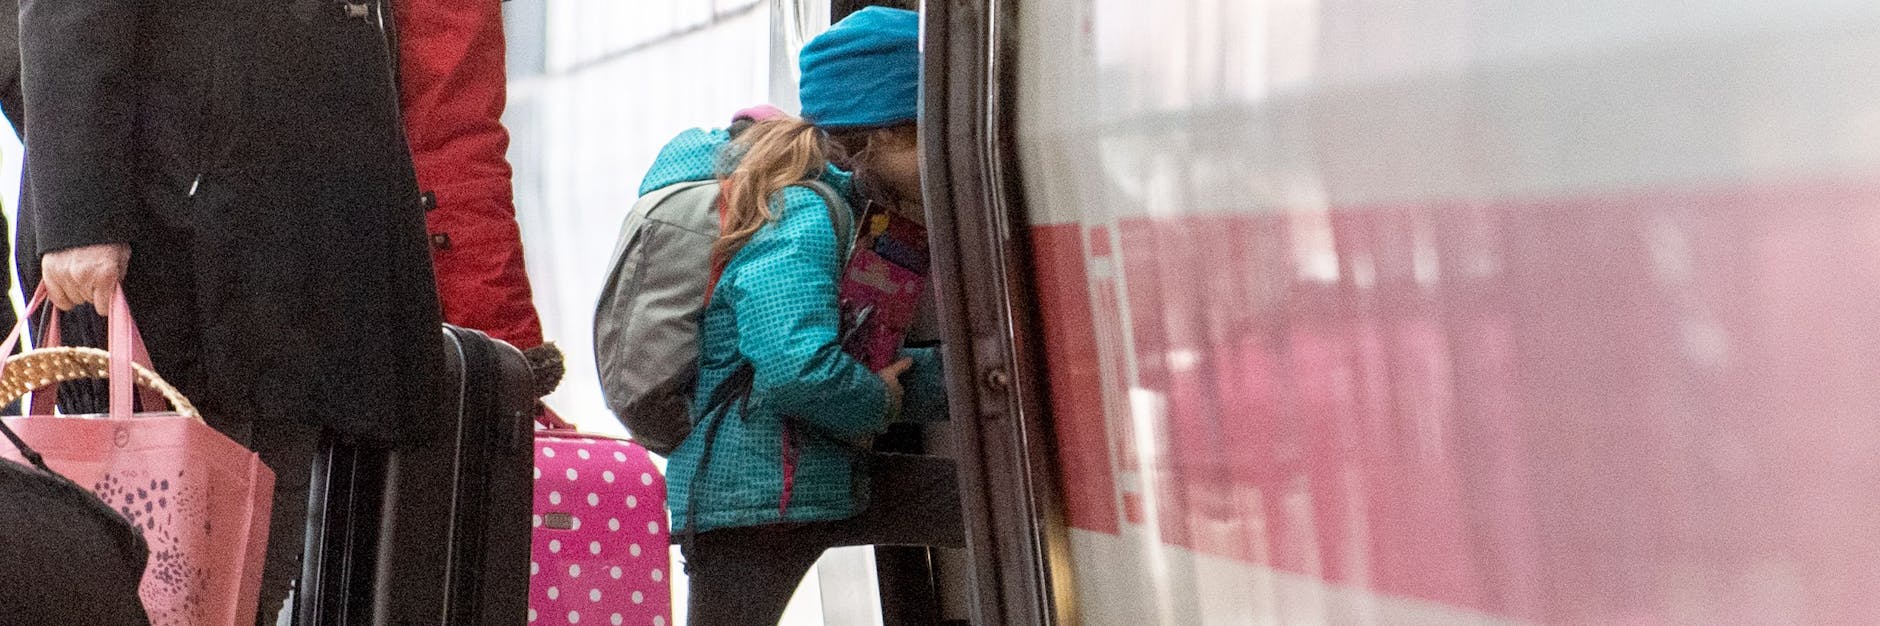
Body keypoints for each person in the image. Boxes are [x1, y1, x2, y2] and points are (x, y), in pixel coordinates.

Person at [16, 1, 442, 623]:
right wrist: (82, 213)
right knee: (149, 575)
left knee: (255, 566)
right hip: (181, 217)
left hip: (307, 219)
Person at [656, 7, 962, 625]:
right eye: (931, 134)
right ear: (878, 137)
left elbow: (870, 360)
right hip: (751, 501)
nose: (945, 156)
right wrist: (878, 403)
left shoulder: (845, 211)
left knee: (988, 505)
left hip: (809, 480)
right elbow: (794, 366)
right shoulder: (802, 214)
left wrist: (978, 372)